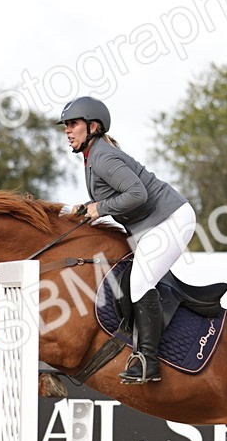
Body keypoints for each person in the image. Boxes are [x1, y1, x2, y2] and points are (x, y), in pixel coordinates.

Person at [59, 96, 197, 384]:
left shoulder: (103, 157)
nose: (67, 130)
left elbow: (137, 195)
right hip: (154, 224)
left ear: (92, 126)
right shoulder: (93, 156)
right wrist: (87, 207)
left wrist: (99, 208)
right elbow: (111, 198)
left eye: (73, 124)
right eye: (66, 126)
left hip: (170, 220)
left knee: (140, 281)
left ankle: (148, 361)